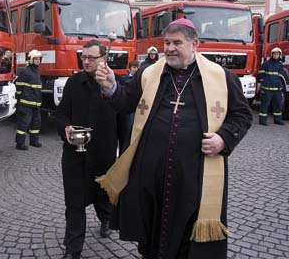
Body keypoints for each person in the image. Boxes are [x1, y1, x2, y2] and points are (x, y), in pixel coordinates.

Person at [94, 18, 252, 258]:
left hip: (194, 174)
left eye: (177, 42)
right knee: (150, 232)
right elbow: (126, 103)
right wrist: (111, 87)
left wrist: (223, 139)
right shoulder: (150, 73)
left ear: (195, 43)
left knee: (187, 237)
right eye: (167, 42)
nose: (169, 48)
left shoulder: (221, 77)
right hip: (150, 173)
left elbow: (242, 115)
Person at [56, 40, 120, 259]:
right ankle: (73, 249)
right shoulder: (74, 82)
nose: (86, 61)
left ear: (104, 58)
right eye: (83, 57)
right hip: (74, 153)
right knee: (74, 201)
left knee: (102, 195)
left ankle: (106, 220)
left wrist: (126, 151)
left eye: (92, 57)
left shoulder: (113, 84)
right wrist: (65, 127)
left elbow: (124, 119)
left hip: (103, 154)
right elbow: (61, 112)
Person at [15, 49, 43, 150]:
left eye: (39, 59)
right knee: (24, 124)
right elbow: (19, 86)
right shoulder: (25, 71)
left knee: (36, 123)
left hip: (36, 103)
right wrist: (19, 100)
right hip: (26, 103)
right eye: (36, 59)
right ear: (31, 59)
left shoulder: (36, 72)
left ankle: (34, 141)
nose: (38, 61)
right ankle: (20, 143)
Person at [118, 60, 141, 152]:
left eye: (138, 68)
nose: (136, 70)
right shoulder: (124, 79)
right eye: (134, 67)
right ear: (130, 69)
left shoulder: (142, 79)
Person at [258, 47, 285, 126]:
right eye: (274, 54)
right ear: (272, 54)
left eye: (277, 54)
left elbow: (280, 76)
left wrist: (280, 86)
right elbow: (261, 74)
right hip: (267, 89)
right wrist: (264, 83)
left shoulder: (280, 65)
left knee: (278, 105)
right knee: (265, 105)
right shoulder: (266, 63)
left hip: (277, 89)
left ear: (279, 55)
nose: (276, 55)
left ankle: (277, 120)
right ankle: (262, 121)